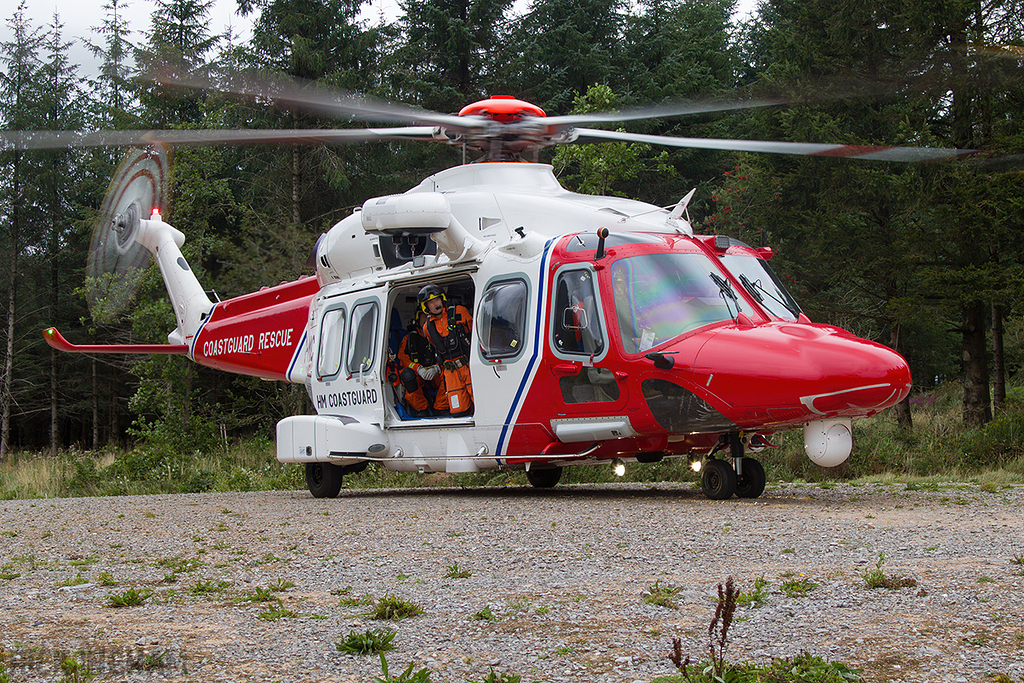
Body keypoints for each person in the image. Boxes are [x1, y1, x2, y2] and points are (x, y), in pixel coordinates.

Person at [418, 284, 474, 417]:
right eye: (430, 302)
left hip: (468, 366)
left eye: (436, 300)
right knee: (459, 411)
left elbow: (474, 333)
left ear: (442, 299)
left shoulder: (459, 312)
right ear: (426, 307)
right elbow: (438, 349)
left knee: (481, 401)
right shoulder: (427, 327)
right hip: (450, 373)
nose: (435, 304)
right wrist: (437, 368)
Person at [396, 310, 444, 417]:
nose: (426, 319)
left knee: (450, 372)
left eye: (428, 316)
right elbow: (403, 359)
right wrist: (418, 369)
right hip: (418, 374)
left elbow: (447, 358)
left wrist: (436, 368)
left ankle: (441, 408)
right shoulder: (409, 339)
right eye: (423, 316)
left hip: (435, 373)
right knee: (407, 375)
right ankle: (422, 409)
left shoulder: (440, 336)